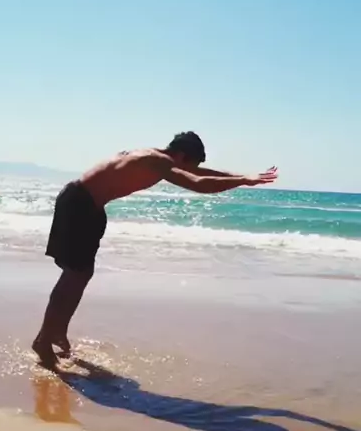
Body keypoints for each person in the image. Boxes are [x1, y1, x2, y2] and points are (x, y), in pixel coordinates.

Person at [33, 132, 277, 365]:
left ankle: (57, 333)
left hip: (88, 205)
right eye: (189, 164)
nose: (189, 169)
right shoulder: (157, 161)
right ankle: (43, 340)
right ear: (181, 156)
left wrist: (243, 176)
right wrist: (243, 181)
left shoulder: (154, 156)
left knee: (81, 274)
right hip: (79, 203)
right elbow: (199, 182)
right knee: (74, 274)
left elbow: (197, 172)